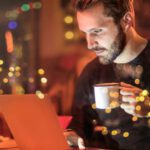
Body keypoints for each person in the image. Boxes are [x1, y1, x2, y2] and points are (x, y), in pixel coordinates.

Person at [64, 0, 150, 149]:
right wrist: (71, 136)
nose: (90, 44)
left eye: (97, 31)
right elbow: (80, 126)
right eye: (85, 33)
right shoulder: (91, 73)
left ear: (126, 21)